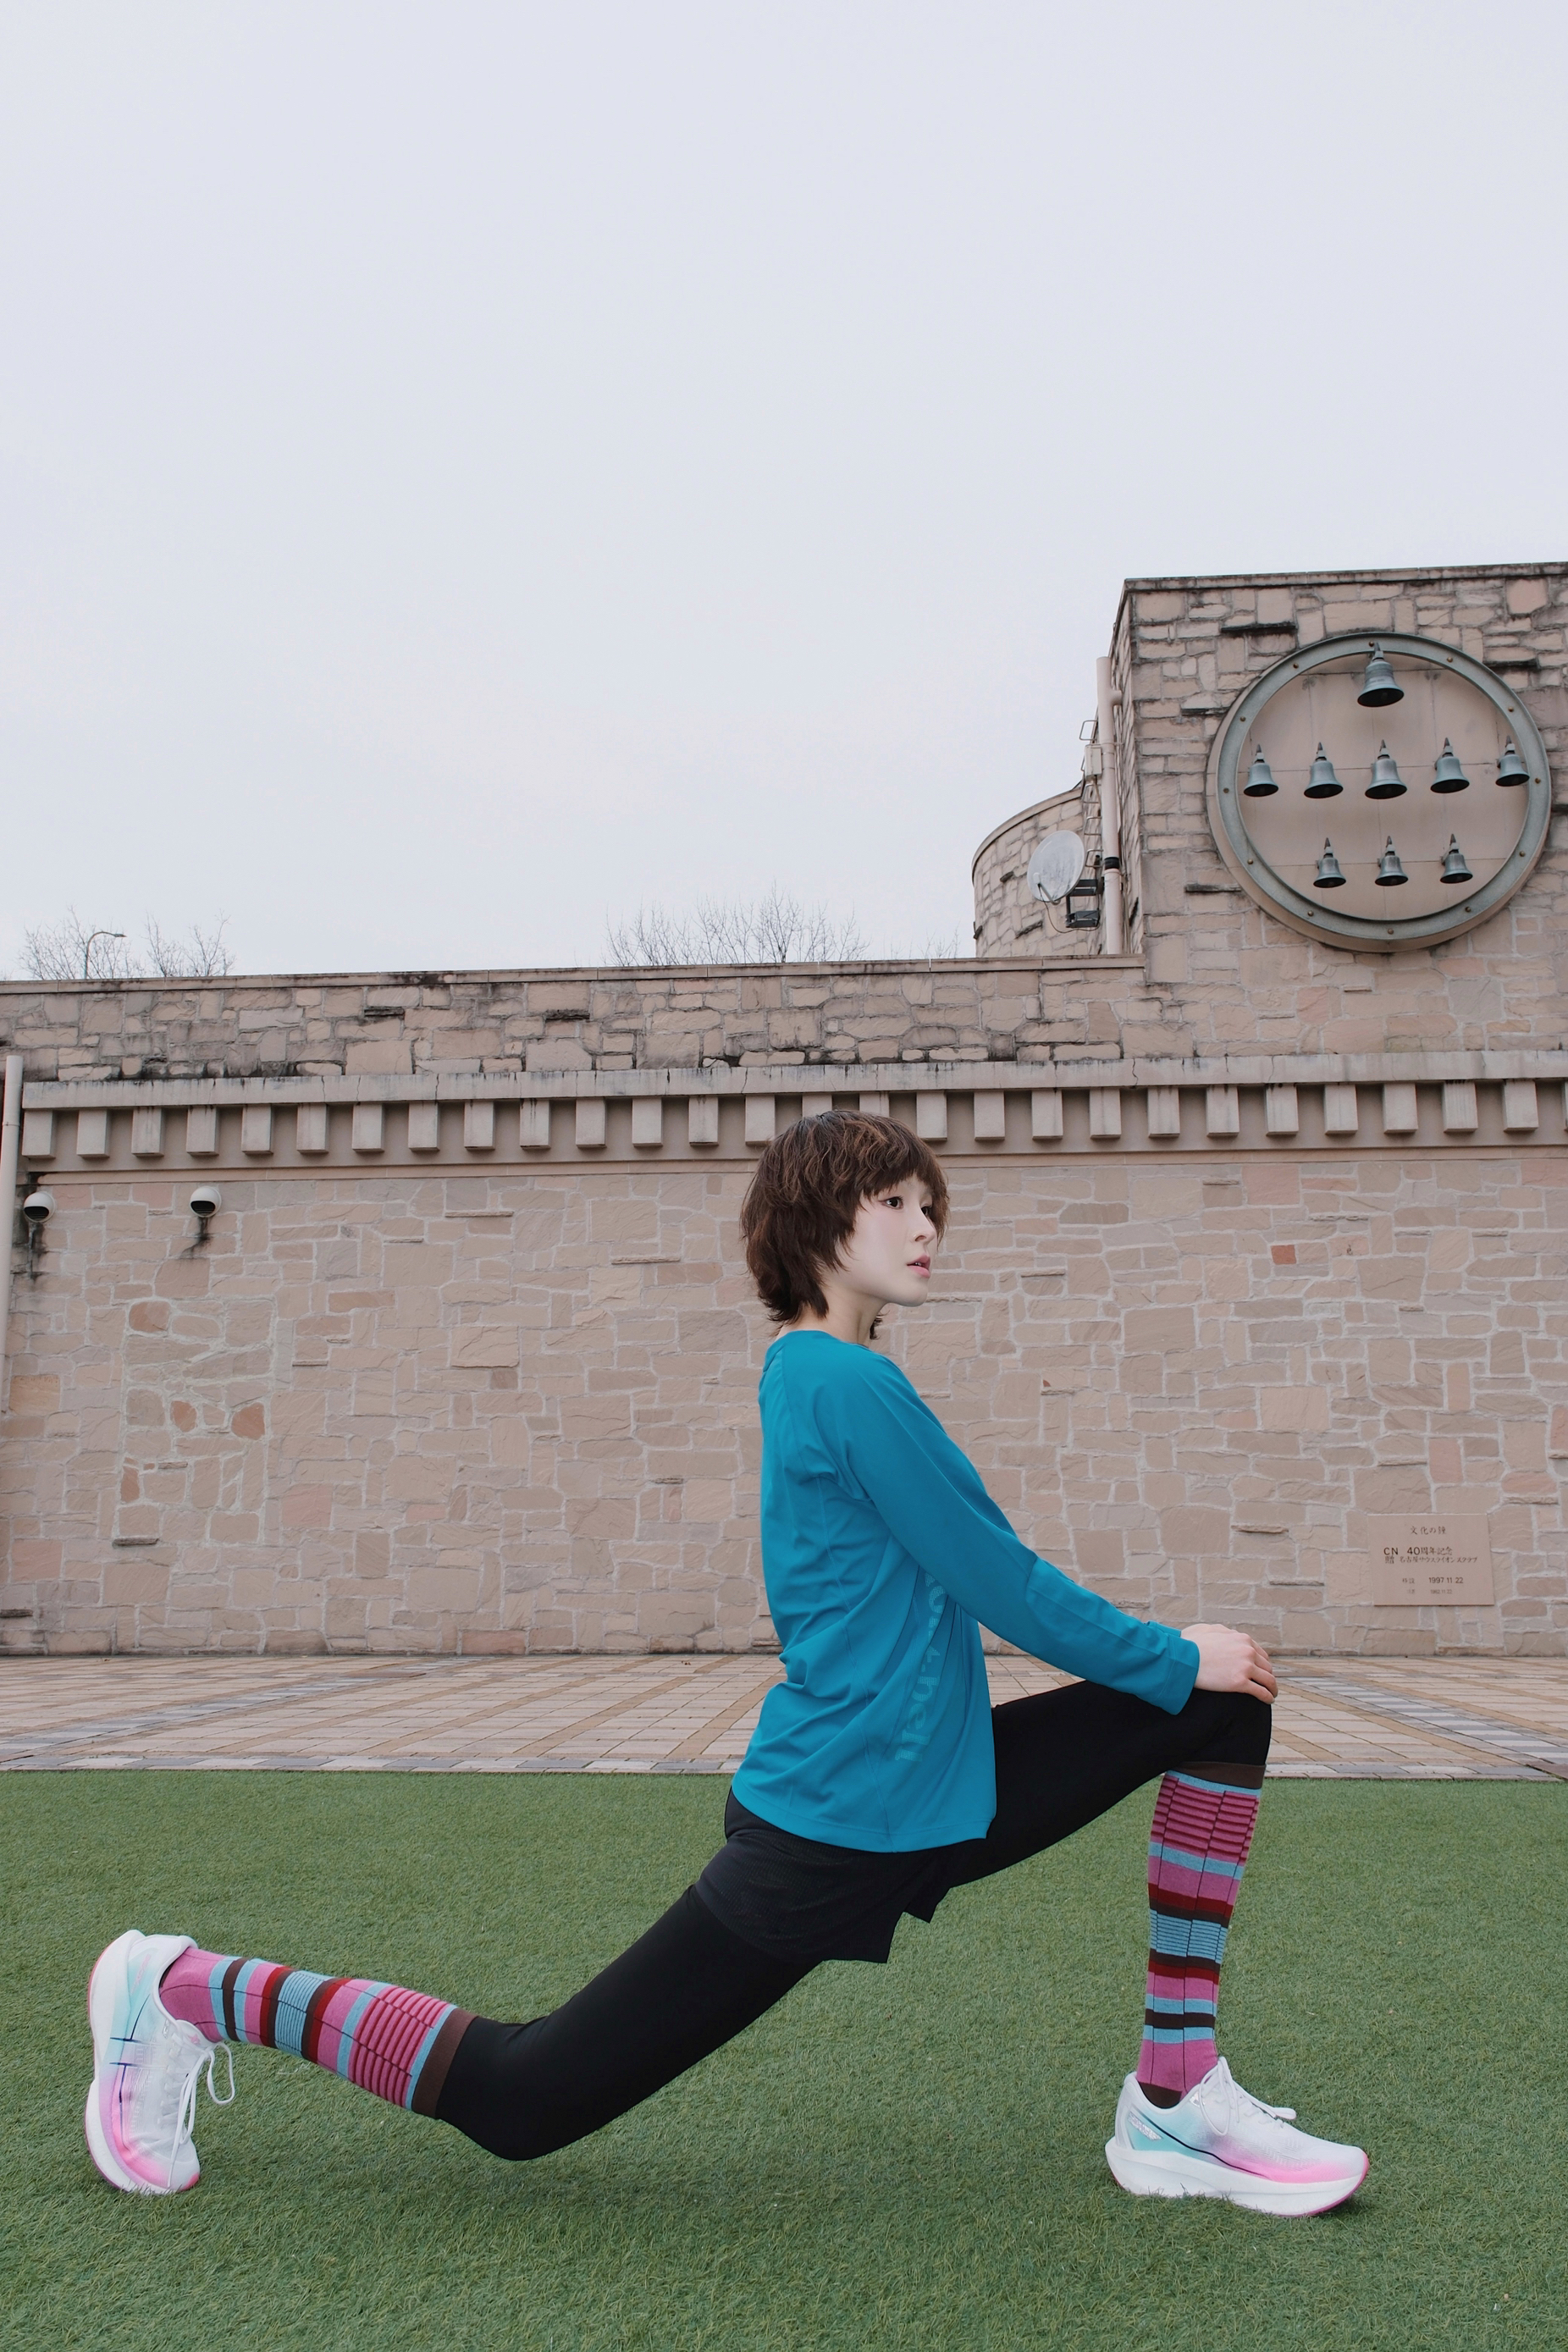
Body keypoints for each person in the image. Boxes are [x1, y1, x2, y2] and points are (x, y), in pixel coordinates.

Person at [85, 1112, 1366, 2215]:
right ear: (817, 1220)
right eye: (893, 1200)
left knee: (1221, 1708)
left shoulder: (833, 1375)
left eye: (931, 1204)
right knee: (525, 2097)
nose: (925, 1224)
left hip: (938, 1788)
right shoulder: (841, 1383)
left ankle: (1176, 2098)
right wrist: (1168, 1649)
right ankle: (182, 1988)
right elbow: (1002, 1581)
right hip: (840, 1817)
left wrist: (1184, 1672)